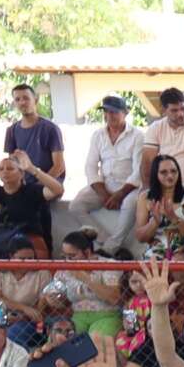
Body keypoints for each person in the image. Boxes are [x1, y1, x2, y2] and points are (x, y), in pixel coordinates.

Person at [74, 96, 144, 251]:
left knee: (130, 203)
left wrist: (120, 194)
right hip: (105, 185)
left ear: (125, 113)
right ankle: (103, 240)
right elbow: (90, 167)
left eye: (114, 112)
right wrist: (103, 193)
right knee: (76, 206)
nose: (109, 115)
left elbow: (139, 170)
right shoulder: (98, 135)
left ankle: (113, 246)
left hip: (130, 187)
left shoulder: (137, 136)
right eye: (106, 111)